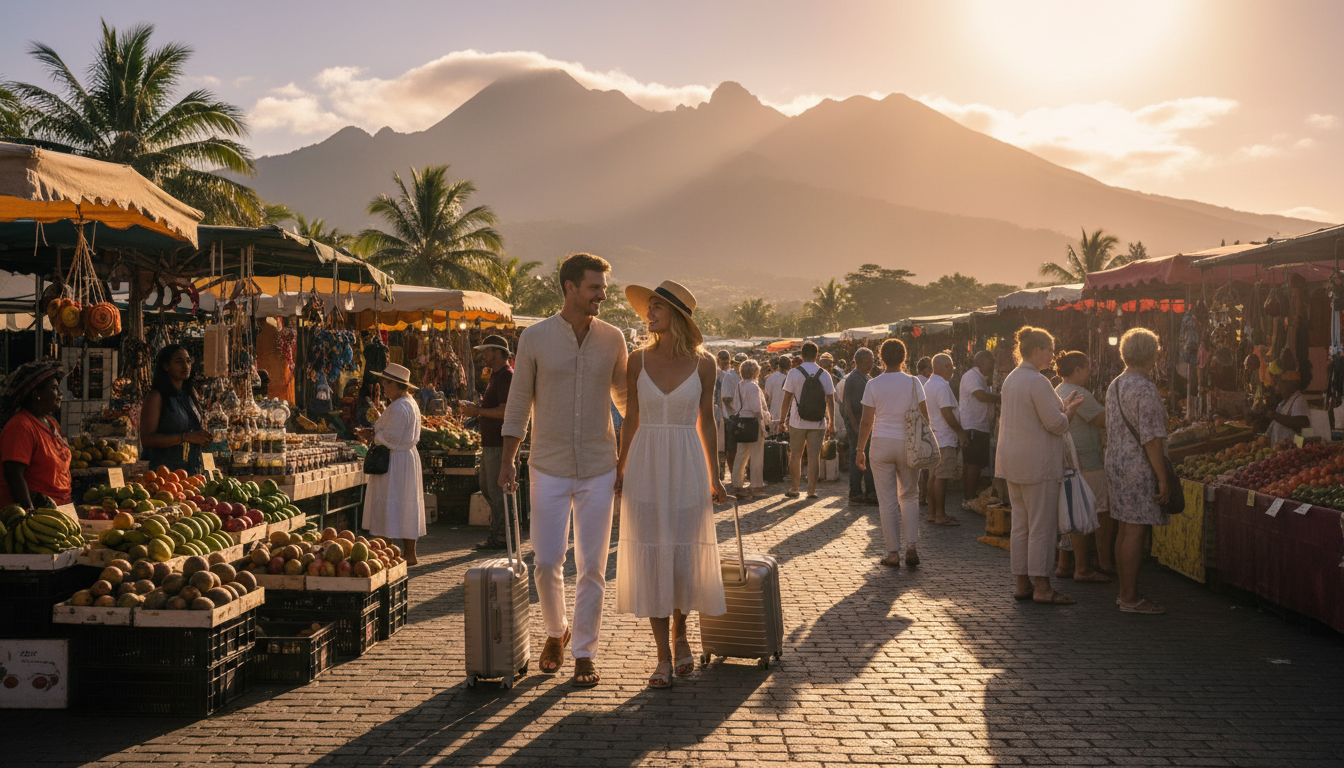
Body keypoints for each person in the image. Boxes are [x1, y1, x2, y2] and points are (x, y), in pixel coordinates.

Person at [500, 252, 629, 688]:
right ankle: (557, 631)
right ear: (570, 287)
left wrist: (630, 459)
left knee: (592, 566)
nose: (602, 296)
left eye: (604, 288)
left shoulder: (613, 339)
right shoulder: (534, 338)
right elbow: (518, 403)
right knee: (547, 560)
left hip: (599, 464)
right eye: (595, 287)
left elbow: (628, 404)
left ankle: (584, 653)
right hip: (548, 464)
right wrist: (506, 462)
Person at [615, 280, 727, 688]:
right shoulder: (636, 360)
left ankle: (682, 634)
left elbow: (707, 421)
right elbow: (631, 419)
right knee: (652, 555)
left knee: (681, 554)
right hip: (646, 461)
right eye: (650, 307)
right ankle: (662, 656)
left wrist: (716, 476)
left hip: (687, 461)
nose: (650, 313)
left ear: (677, 316)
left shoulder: (705, 364)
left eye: (658, 307)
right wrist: (620, 465)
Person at [996, 327, 1083, 605]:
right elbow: (1055, 423)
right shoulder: (1037, 380)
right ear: (1036, 351)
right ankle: (1043, 587)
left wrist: (1063, 406)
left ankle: (1023, 583)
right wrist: (1070, 411)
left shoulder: (1013, 378)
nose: (1052, 355)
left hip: (1013, 461)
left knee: (1021, 525)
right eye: (1049, 349)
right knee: (1042, 526)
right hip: (1036, 463)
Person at [1105, 328, 1172, 615]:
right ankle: (1130, 598)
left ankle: (1125, 593)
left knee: (1124, 527)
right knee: (1134, 530)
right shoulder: (1144, 388)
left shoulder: (1116, 384)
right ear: (1151, 355)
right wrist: (1162, 477)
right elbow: (1151, 438)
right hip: (1137, 467)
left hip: (1117, 463)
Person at [853, 339, 926, 568]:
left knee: (887, 501)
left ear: (881, 358)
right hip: (909, 444)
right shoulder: (914, 383)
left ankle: (893, 553)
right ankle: (911, 546)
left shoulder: (873, 384)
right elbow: (925, 417)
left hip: (881, 444)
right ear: (904, 358)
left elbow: (866, 421)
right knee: (910, 495)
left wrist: (859, 449)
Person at [356, 363, 425, 565]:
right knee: (403, 505)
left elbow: (391, 439)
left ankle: (389, 553)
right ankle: (406, 554)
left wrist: (373, 435)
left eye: (386, 384)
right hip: (403, 459)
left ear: (395, 385)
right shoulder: (405, 403)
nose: (383, 388)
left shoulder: (401, 406)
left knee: (392, 504)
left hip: (396, 461)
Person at [1054, 351, 1114, 581]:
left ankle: (1063, 563)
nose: (1089, 373)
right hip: (1087, 462)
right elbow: (1103, 420)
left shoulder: (1057, 390)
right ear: (1077, 369)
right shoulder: (1080, 394)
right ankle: (1097, 564)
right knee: (1098, 511)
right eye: (1087, 368)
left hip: (1068, 460)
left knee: (1070, 510)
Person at [461, 335, 514, 551]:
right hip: (490, 443)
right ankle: (499, 532)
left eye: (487, 351)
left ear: (499, 352)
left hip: (500, 444)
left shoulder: (506, 377)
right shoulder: (495, 376)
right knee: (488, 488)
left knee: (497, 489)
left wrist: (479, 411)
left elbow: (505, 411)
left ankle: (501, 537)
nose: (483, 355)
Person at [0, 360, 71, 508]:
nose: (60, 393)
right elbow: (13, 475)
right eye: (54, 388)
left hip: (60, 507)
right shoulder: (21, 426)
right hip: (38, 513)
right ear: (36, 394)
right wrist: (29, 511)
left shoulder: (51, 423)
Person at [140, 344, 211, 477]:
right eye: (179, 362)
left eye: (188, 361)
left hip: (193, 469)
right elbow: (147, 439)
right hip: (166, 474)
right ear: (166, 366)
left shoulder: (190, 394)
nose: (186, 366)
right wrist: (185, 438)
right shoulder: (156, 396)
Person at [778, 341, 837, 499]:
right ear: (817, 355)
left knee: (795, 455)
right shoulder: (824, 374)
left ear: (802, 355)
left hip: (797, 421)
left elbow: (787, 398)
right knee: (814, 456)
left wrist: (781, 420)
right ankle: (811, 491)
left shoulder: (794, 373)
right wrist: (832, 422)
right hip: (818, 422)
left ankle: (795, 488)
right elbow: (830, 400)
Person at [924, 353, 965, 526]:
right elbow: (946, 412)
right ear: (939, 367)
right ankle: (940, 515)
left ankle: (934, 514)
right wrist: (960, 432)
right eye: (948, 366)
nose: (952, 369)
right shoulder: (941, 386)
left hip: (934, 437)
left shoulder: (929, 384)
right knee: (941, 477)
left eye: (952, 365)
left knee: (933, 476)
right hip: (944, 438)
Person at [959, 350, 1000, 507]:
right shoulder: (972, 376)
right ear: (982, 363)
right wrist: (1001, 398)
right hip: (973, 426)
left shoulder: (981, 378)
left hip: (978, 426)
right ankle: (969, 498)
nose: (993, 365)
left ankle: (970, 496)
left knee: (973, 463)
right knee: (973, 464)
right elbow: (981, 396)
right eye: (990, 361)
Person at [729, 359, 770, 499]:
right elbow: (757, 408)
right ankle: (756, 484)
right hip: (753, 423)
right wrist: (766, 415)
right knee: (756, 455)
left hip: (741, 422)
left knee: (741, 454)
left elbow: (735, 405)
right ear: (755, 372)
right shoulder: (753, 387)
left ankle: (736, 482)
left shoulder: (740, 385)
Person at [843, 347, 876, 506]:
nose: (872, 364)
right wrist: (860, 428)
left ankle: (863, 491)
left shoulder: (862, 377)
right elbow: (857, 408)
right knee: (861, 459)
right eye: (869, 361)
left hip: (859, 426)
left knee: (862, 459)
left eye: (872, 360)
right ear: (860, 361)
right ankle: (860, 492)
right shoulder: (856, 379)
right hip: (858, 427)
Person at [1264, 361, 1311, 444]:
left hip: (1291, 449)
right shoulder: (1284, 401)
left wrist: (1275, 415)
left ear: (1292, 385)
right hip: (1280, 450)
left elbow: (1302, 424)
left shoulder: (1299, 401)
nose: (1280, 386)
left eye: (1283, 383)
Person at [720, 353, 744, 483]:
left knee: (742, 448)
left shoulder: (745, 376)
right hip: (732, 416)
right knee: (732, 448)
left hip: (742, 415)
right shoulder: (730, 376)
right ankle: (734, 473)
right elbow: (726, 399)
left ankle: (739, 474)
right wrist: (736, 413)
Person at [763, 355, 789, 435]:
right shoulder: (790, 378)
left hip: (773, 415)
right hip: (787, 417)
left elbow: (767, 398)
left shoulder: (770, 378)